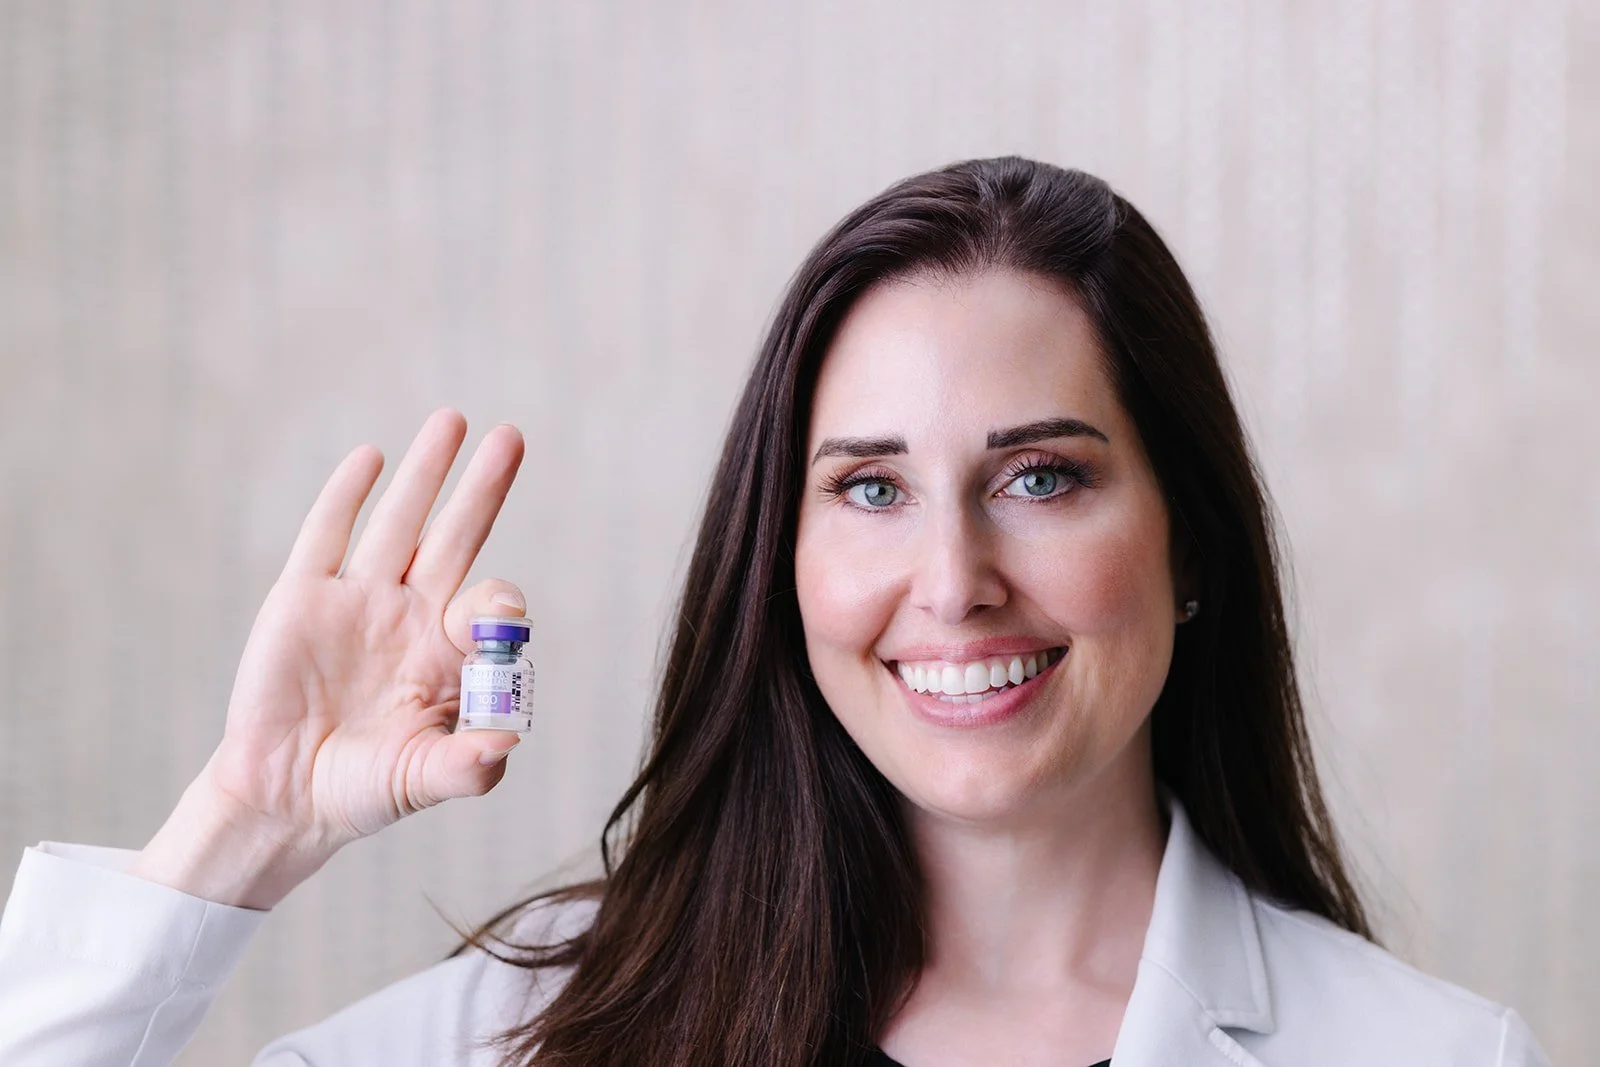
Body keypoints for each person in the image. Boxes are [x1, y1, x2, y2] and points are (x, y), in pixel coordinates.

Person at [0, 157, 1551, 1067]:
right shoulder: (549, 1027)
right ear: (783, 557)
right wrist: (246, 825)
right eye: (870, 488)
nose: (951, 581)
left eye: (1041, 479)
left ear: (1192, 541)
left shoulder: (1433, 1054)